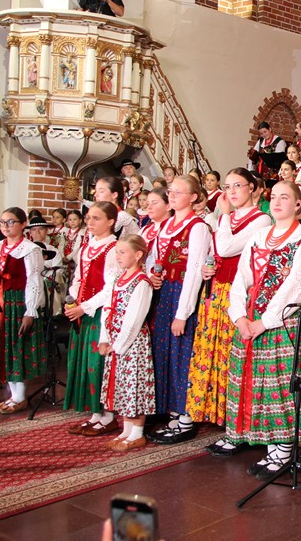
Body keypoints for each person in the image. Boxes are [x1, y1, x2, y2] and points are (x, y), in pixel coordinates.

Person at [227, 181, 301, 479]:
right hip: (252, 320)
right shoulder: (258, 236)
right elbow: (241, 278)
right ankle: (272, 448)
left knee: (283, 385)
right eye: (273, 197)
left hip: (285, 322)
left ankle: (284, 450)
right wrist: (239, 316)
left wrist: (264, 322)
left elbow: (296, 286)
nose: (276, 202)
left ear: (298, 204)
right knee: (262, 386)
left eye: (285, 197)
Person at [191, 170, 271, 455]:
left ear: (252, 188)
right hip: (216, 289)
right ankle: (218, 414)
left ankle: (238, 423)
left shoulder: (261, 219)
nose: (232, 192)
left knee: (233, 356)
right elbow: (217, 253)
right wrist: (207, 266)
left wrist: (223, 215)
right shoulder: (228, 218)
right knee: (213, 353)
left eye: (238, 185)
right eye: (227, 187)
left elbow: (226, 247)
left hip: (239, 295)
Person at [147, 175, 209, 445]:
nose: (171, 196)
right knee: (165, 351)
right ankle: (172, 410)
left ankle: (186, 416)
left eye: (178, 192)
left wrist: (183, 312)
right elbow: (156, 259)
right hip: (164, 294)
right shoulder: (166, 225)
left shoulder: (198, 227)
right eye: (170, 192)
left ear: (193, 197)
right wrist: (153, 276)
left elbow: (194, 271)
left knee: (183, 352)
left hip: (182, 294)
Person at [0, 208, 45, 414]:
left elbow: (34, 281)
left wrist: (30, 311)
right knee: (3, 347)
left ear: (23, 224)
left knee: (16, 346)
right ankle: (14, 395)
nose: (5, 226)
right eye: (2, 222)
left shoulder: (30, 249)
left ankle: (19, 396)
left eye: (11, 222)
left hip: (18, 302)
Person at [64, 202, 120, 436]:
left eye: (96, 218)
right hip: (83, 311)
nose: (90, 222)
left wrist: (85, 307)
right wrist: (74, 299)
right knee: (84, 361)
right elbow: (78, 277)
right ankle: (95, 413)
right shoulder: (87, 247)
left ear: (110, 221)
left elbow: (111, 288)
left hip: (100, 312)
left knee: (98, 363)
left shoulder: (114, 248)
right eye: (88, 218)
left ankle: (108, 416)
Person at [97, 235, 156, 451]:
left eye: (123, 252)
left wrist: (119, 344)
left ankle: (137, 432)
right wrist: (104, 338)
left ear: (138, 255)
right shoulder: (118, 279)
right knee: (121, 385)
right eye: (117, 252)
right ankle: (126, 430)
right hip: (115, 342)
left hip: (132, 343)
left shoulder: (141, 283)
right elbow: (108, 309)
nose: (118, 256)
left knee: (134, 385)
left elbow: (134, 319)